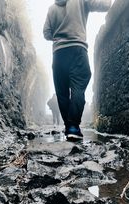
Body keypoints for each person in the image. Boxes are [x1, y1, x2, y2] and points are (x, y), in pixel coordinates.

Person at [43, 0, 112, 140]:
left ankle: (68, 127)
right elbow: (105, 5)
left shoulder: (51, 8)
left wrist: (59, 36)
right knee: (78, 87)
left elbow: (46, 33)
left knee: (62, 92)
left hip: (59, 53)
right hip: (78, 49)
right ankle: (74, 126)